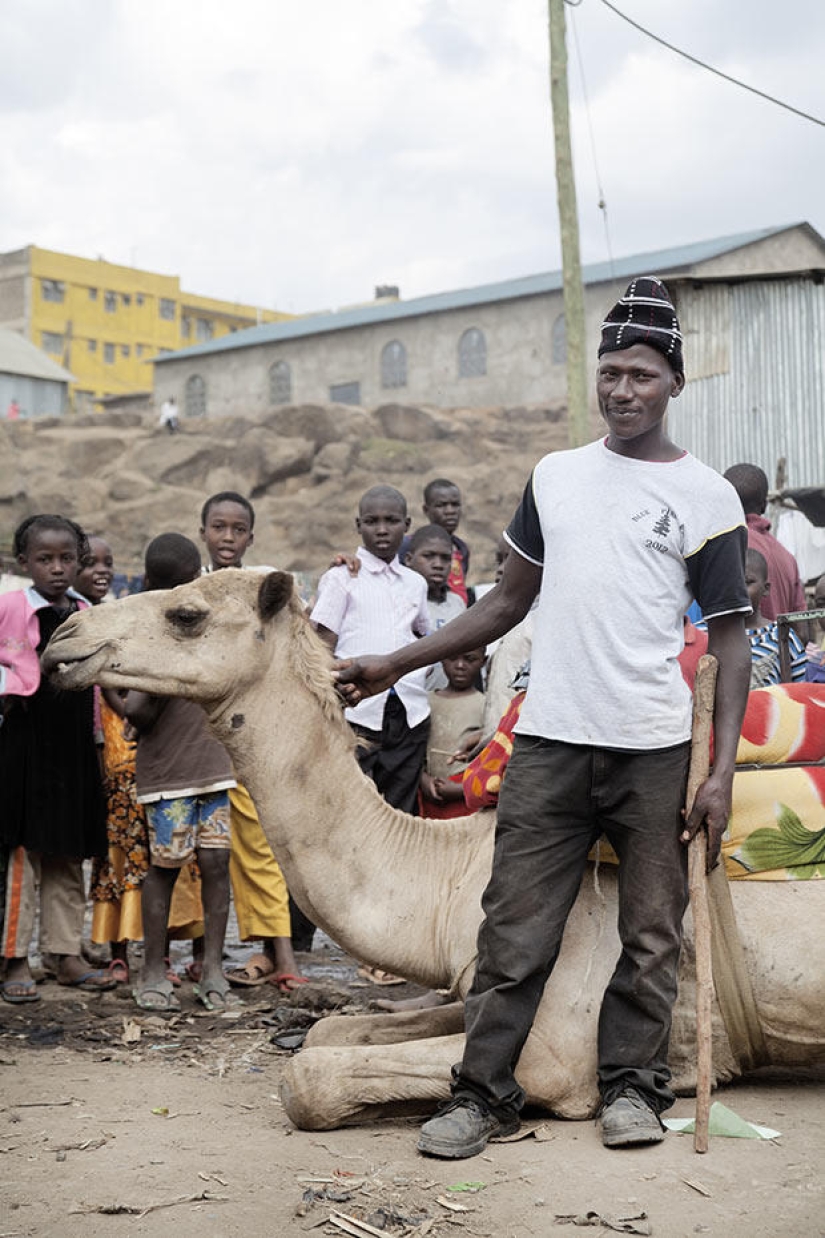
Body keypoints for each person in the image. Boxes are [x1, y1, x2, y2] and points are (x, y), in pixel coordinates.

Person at [334, 277, 752, 1157]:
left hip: (653, 750)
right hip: (550, 744)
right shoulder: (554, 477)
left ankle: (633, 1089)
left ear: (673, 383)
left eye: (641, 373)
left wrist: (715, 774)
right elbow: (504, 604)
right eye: (610, 372)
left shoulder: (707, 498)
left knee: (649, 933)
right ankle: (480, 1096)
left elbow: (730, 640)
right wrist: (392, 662)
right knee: (513, 932)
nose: (622, 390)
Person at [75, 537, 204, 985]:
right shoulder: (124, 621)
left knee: (158, 857)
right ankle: (121, 951)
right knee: (127, 852)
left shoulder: (150, 620)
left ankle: (150, 953)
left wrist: (125, 700)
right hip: (119, 746)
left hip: (145, 745)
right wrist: (122, 700)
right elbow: (114, 676)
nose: (104, 570)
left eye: (111, 562)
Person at [0, 515, 115, 1002]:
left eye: (66, 558)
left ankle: (65, 954)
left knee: (68, 851)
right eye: (44, 559)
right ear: (23, 562)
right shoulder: (8, 608)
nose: (57, 568)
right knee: (22, 854)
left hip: (72, 748)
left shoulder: (86, 611)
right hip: (22, 744)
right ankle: (15, 958)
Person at [199, 491, 308, 991]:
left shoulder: (265, 588)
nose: (227, 538)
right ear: (203, 533)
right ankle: (206, 956)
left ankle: (281, 955)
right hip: (199, 742)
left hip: (253, 738)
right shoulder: (191, 589)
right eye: (218, 528)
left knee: (260, 847)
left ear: (250, 537)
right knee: (204, 854)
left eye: (237, 529)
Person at [126, 533, 235, 1013]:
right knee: (175, 866)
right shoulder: (151, 632)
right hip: (175, 769)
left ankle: (196, 967)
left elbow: (137, 711)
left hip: (209, 764)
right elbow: (140, 712)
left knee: (200, 864)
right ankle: (168, 967)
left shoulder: (197, 626)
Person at [312, 484, 431, 816]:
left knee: (401, 810)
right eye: (372, 521)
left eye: (391, 520)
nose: (381, 529)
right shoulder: (341, 578)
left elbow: (423, 637)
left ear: (406, 525)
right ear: (358, 526)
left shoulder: (415, 583)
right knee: (354, 809)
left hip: (409, 712)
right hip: (356, 710)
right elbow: (320, 646)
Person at [723, 463, 806, 622]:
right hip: (780, 645)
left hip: (744, 645)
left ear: (724, 501)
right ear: (764, 505)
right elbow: (800, 628)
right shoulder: (787, 556)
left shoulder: (728, 547)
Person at [419, 648, 485, 819]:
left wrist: (462, 788)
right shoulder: (424, 702)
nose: (460, 666)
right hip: (428, 791)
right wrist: (422, 779)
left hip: (463, 795)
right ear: (441, 659)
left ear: (483, 662)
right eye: (452, 658)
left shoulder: (485, 704)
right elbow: (412, 748)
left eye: (470, 660)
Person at [405, 523, 466, 690]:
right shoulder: (402, 603)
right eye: (429, 556)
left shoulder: (457, 603)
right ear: (409, 559)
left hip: (449, 703)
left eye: (445, 558)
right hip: (412, 703)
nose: (438, 564)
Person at [741, 548, 806, 687]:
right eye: (731, 581)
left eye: (747, 582)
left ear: (766, 589)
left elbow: (800, 695)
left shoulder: (782, 638)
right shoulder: (704, 633)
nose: (738, 588)